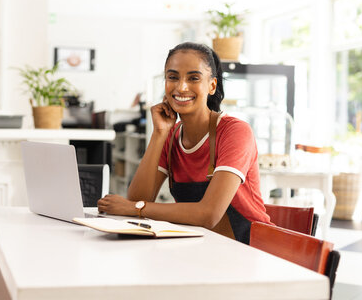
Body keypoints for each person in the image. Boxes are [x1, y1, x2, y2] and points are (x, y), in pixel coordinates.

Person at [97, 42, 271, 244]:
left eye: (193, 78)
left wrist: (136, 209)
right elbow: (139, 197)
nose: (181, 87)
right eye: (173, 77)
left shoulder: (234, 132)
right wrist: (159, 134)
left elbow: (209, 214)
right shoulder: (171, 137)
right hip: (203, 247)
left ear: (212, 85)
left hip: (252, 251)